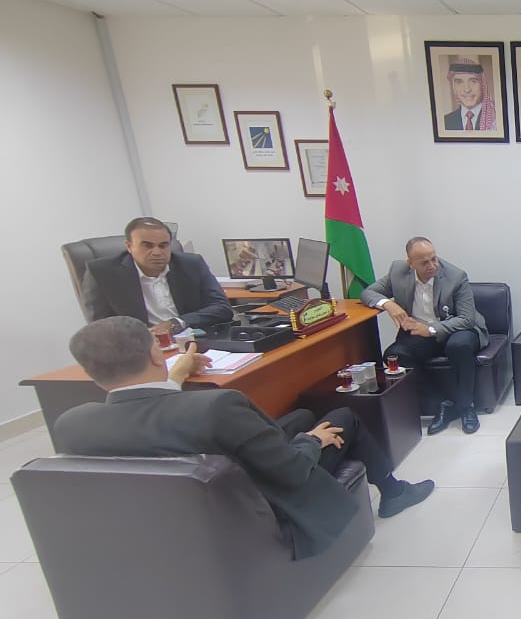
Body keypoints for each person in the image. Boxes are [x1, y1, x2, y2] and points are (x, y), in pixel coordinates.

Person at [54, 317, 434, 559]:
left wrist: (175, 378)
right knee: (342, 419)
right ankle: (394, 492)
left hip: (168, 519)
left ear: (91, 372)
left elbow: (150, 419)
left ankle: (323, 441)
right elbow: (290, 471)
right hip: (263, 501)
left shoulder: (72, 424)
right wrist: (313, 441)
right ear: (157, 356)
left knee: (302, 416)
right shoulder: (217, 407)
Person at [361, 237, 488, 434]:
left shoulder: (455, 276)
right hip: (419, 333)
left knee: (459, 346)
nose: (432, 265)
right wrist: (388, 304)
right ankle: (440, 405)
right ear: (410, 264)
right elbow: (368, 293)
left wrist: (429, 330)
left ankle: (466, 407)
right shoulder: (398, 271)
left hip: (456, 328)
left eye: (434, 258)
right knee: (395, 356)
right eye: (424, 262)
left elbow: (466, 319)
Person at [81, 216, 233, 336]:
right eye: (147, 245)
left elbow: (222, 308)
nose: (157, 252)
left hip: (191, 339)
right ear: (129, 246)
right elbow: (100, 328)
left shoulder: (191, 264)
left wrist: (177, 323)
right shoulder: (103, 273)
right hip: (139, 348)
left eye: (163, 245)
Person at [442, 57, 497, 131]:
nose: (467, 89)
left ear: (482, 84)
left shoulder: (496, 119)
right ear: (453, 86)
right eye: (459, 82)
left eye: (473, 81)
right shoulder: (445, 122)